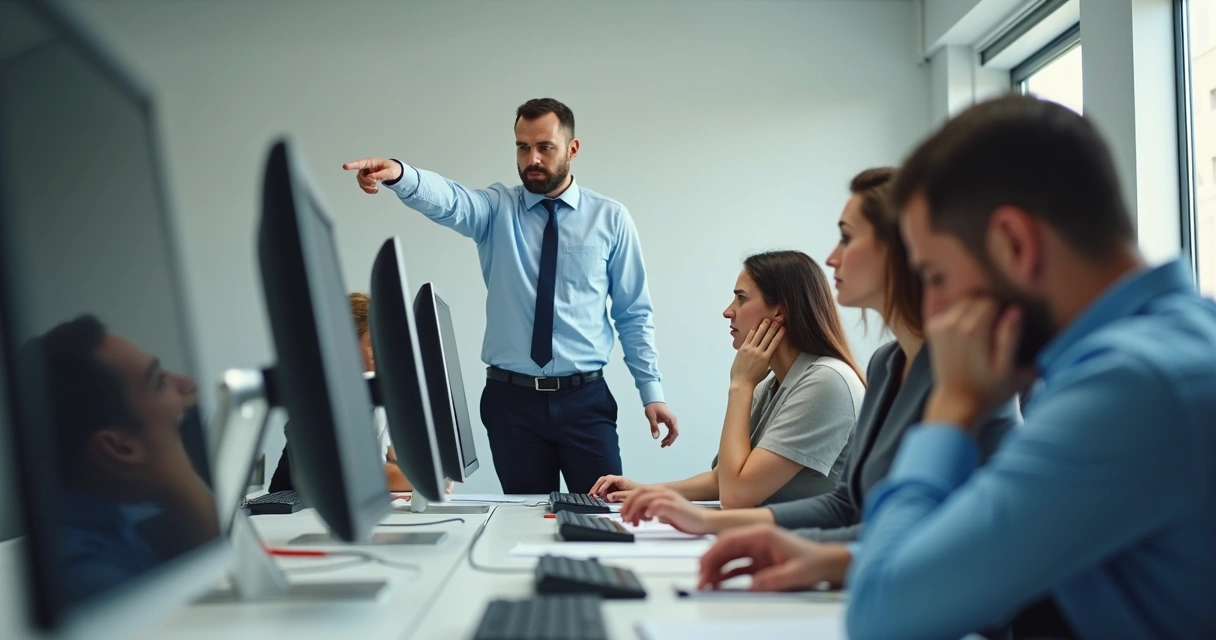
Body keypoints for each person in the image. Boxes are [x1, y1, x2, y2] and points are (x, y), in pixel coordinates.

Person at [709, 96, 1216, 640]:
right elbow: (997, 550)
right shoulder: (1171, 346)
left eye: (937, 277)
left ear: (1015, 244)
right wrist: (833, 558)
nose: (935, 310)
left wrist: (950, 412)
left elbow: (886, 611)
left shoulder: (1129, 389)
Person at [621, 169, 1018, 559]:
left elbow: (935, 533)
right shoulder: (886, 363)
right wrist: (700, 517)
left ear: (902, 248)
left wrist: (739, 387)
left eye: (846, 238)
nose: (831, 258)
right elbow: (847, 506)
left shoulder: (844, 379)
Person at [342, 98, 678, 494]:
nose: (532, 158)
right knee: (523, 517)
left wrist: (651, 392)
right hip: (511, 404)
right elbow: (450, 199)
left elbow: (633, 313)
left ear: (572, 149)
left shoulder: (611, 218)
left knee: (603, 511)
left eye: (545, 147)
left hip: (586, 401)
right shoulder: (495, 210)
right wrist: (401, 174)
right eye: (523, 147)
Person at [590, 250, 865, 508]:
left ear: (780, 312)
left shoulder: (828, 382)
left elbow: (735, 496)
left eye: (741, 298)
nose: (728, 311)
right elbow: (722, 480)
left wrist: (740, 385)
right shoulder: (772, 385)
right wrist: (643, 491)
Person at [35, 315, 218, 604]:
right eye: (159, 381)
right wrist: (181, 480)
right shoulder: (91, 580)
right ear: (120, 448)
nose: (187, 384)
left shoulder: (126, 513)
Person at [270, 292, 431, 493]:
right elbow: (367, 474)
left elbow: (396, 460)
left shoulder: (374, 397)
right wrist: (430, 479)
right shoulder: (324, 402)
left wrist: (427, 475)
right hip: (292, 510)